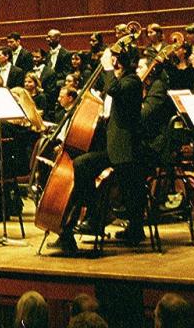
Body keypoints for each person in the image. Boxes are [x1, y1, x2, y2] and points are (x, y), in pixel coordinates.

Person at [55, 42, 146, 253]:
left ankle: (98, 218)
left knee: (125, 187)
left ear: (117, 60)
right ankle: (93, 213)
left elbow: (114, 89)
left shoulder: (132, 81)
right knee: (82, 164)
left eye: (112, 58)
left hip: (126, 150)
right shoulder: (122, 80)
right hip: (113, 146)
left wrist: (106, 67)